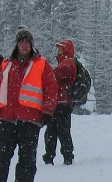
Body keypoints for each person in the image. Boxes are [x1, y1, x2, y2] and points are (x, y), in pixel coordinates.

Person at [0, 28, 57, 182]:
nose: (24, 45)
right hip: (8, 118)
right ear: (16, 44)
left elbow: (51, 88)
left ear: (31, 45)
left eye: (27, 42)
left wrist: (47, 110)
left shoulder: (42, 64)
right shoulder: (6, 64)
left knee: (27, 158)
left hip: (30, 120)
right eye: (21, 42)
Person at [43, 38, 77, 166]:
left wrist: (44, 65)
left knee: (57, 131)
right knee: (58, 130)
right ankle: (62, 156)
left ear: (66, 49)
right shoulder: (66, 62)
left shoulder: (67, 63)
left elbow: (53, 76)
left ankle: (60, 157)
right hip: (60, 102)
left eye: (60, 48)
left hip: (61, 103)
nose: (58, 51)